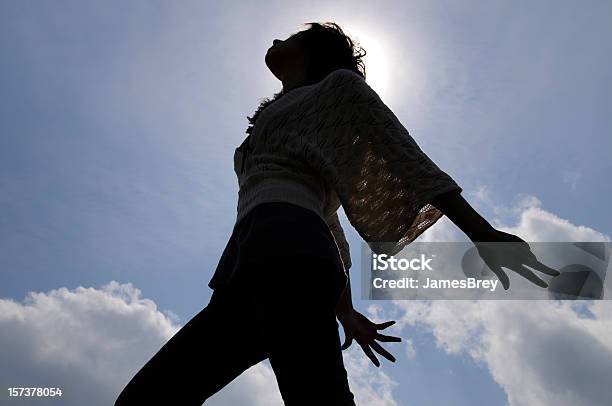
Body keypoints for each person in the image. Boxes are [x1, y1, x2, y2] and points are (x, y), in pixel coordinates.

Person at [115, 21, 559, 405]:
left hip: (288, 257)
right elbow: (332, 222)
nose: (277, 39)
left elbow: (405, 157)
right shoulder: (280, 121)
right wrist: (344, 310)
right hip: (248, 266)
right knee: (150, 397)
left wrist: (481, 233)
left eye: (292, 36)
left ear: (312, 51)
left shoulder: (338, 89)